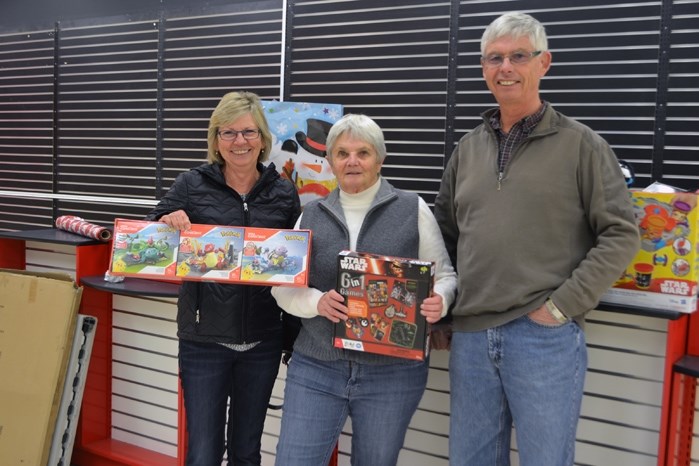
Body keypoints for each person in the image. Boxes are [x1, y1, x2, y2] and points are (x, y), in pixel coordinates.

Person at [433, 12, 640, 466]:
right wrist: (443, 314)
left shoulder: (582, 146)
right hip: (470, 336)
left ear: (543, 63)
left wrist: (562, 306)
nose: (505, 67)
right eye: (494, 58)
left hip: (543, 336)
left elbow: (621, 232)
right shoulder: (466, 150)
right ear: (484, 67)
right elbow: (445, 236)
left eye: (518, 56)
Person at [271, 113, 457, 466]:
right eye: (342, 153)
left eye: (363, 152)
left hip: (391, 372)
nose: (352, 161)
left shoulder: (411, 207)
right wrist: (317, 302)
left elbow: (445, 275)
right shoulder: (310, 214)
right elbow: (282, 287)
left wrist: (440, 301)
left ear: (380, 159)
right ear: (330, 161)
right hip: (317, 366)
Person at [145, 91, 301, 465]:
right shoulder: (190, 184)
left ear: (262, 138)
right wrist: (168, 222)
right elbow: (153, 229)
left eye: (248, 133)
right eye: (228, 133)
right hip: (203, 341)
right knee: (203, 453)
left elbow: (296, 267)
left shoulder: (283, 192)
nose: (239, 142)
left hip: (262, 341)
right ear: (215, 140)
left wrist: (291, 338)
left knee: (247, 452)